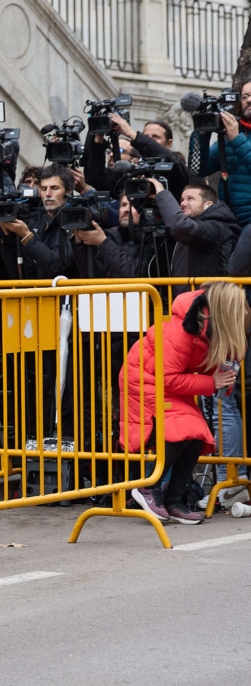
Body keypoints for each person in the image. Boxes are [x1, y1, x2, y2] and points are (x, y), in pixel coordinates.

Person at [121, 282, 249, 524]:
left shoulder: (216, 327)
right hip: (144, 379)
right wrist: (212, 383)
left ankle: (174, 500)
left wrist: (227, 370)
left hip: (167, 381)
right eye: (241, 307)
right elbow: (167, 378)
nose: (245, 311)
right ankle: (149, 487)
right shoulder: (181, 330)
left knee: (197, 435)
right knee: (185, 430)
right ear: (226, 311)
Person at [195, 78, 251, 226]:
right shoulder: (233, 134)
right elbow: (199, 169)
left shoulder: (234, 135)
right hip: (230, 221)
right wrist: (202, 134)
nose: (249, 100)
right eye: (245, 96)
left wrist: (236, 138)